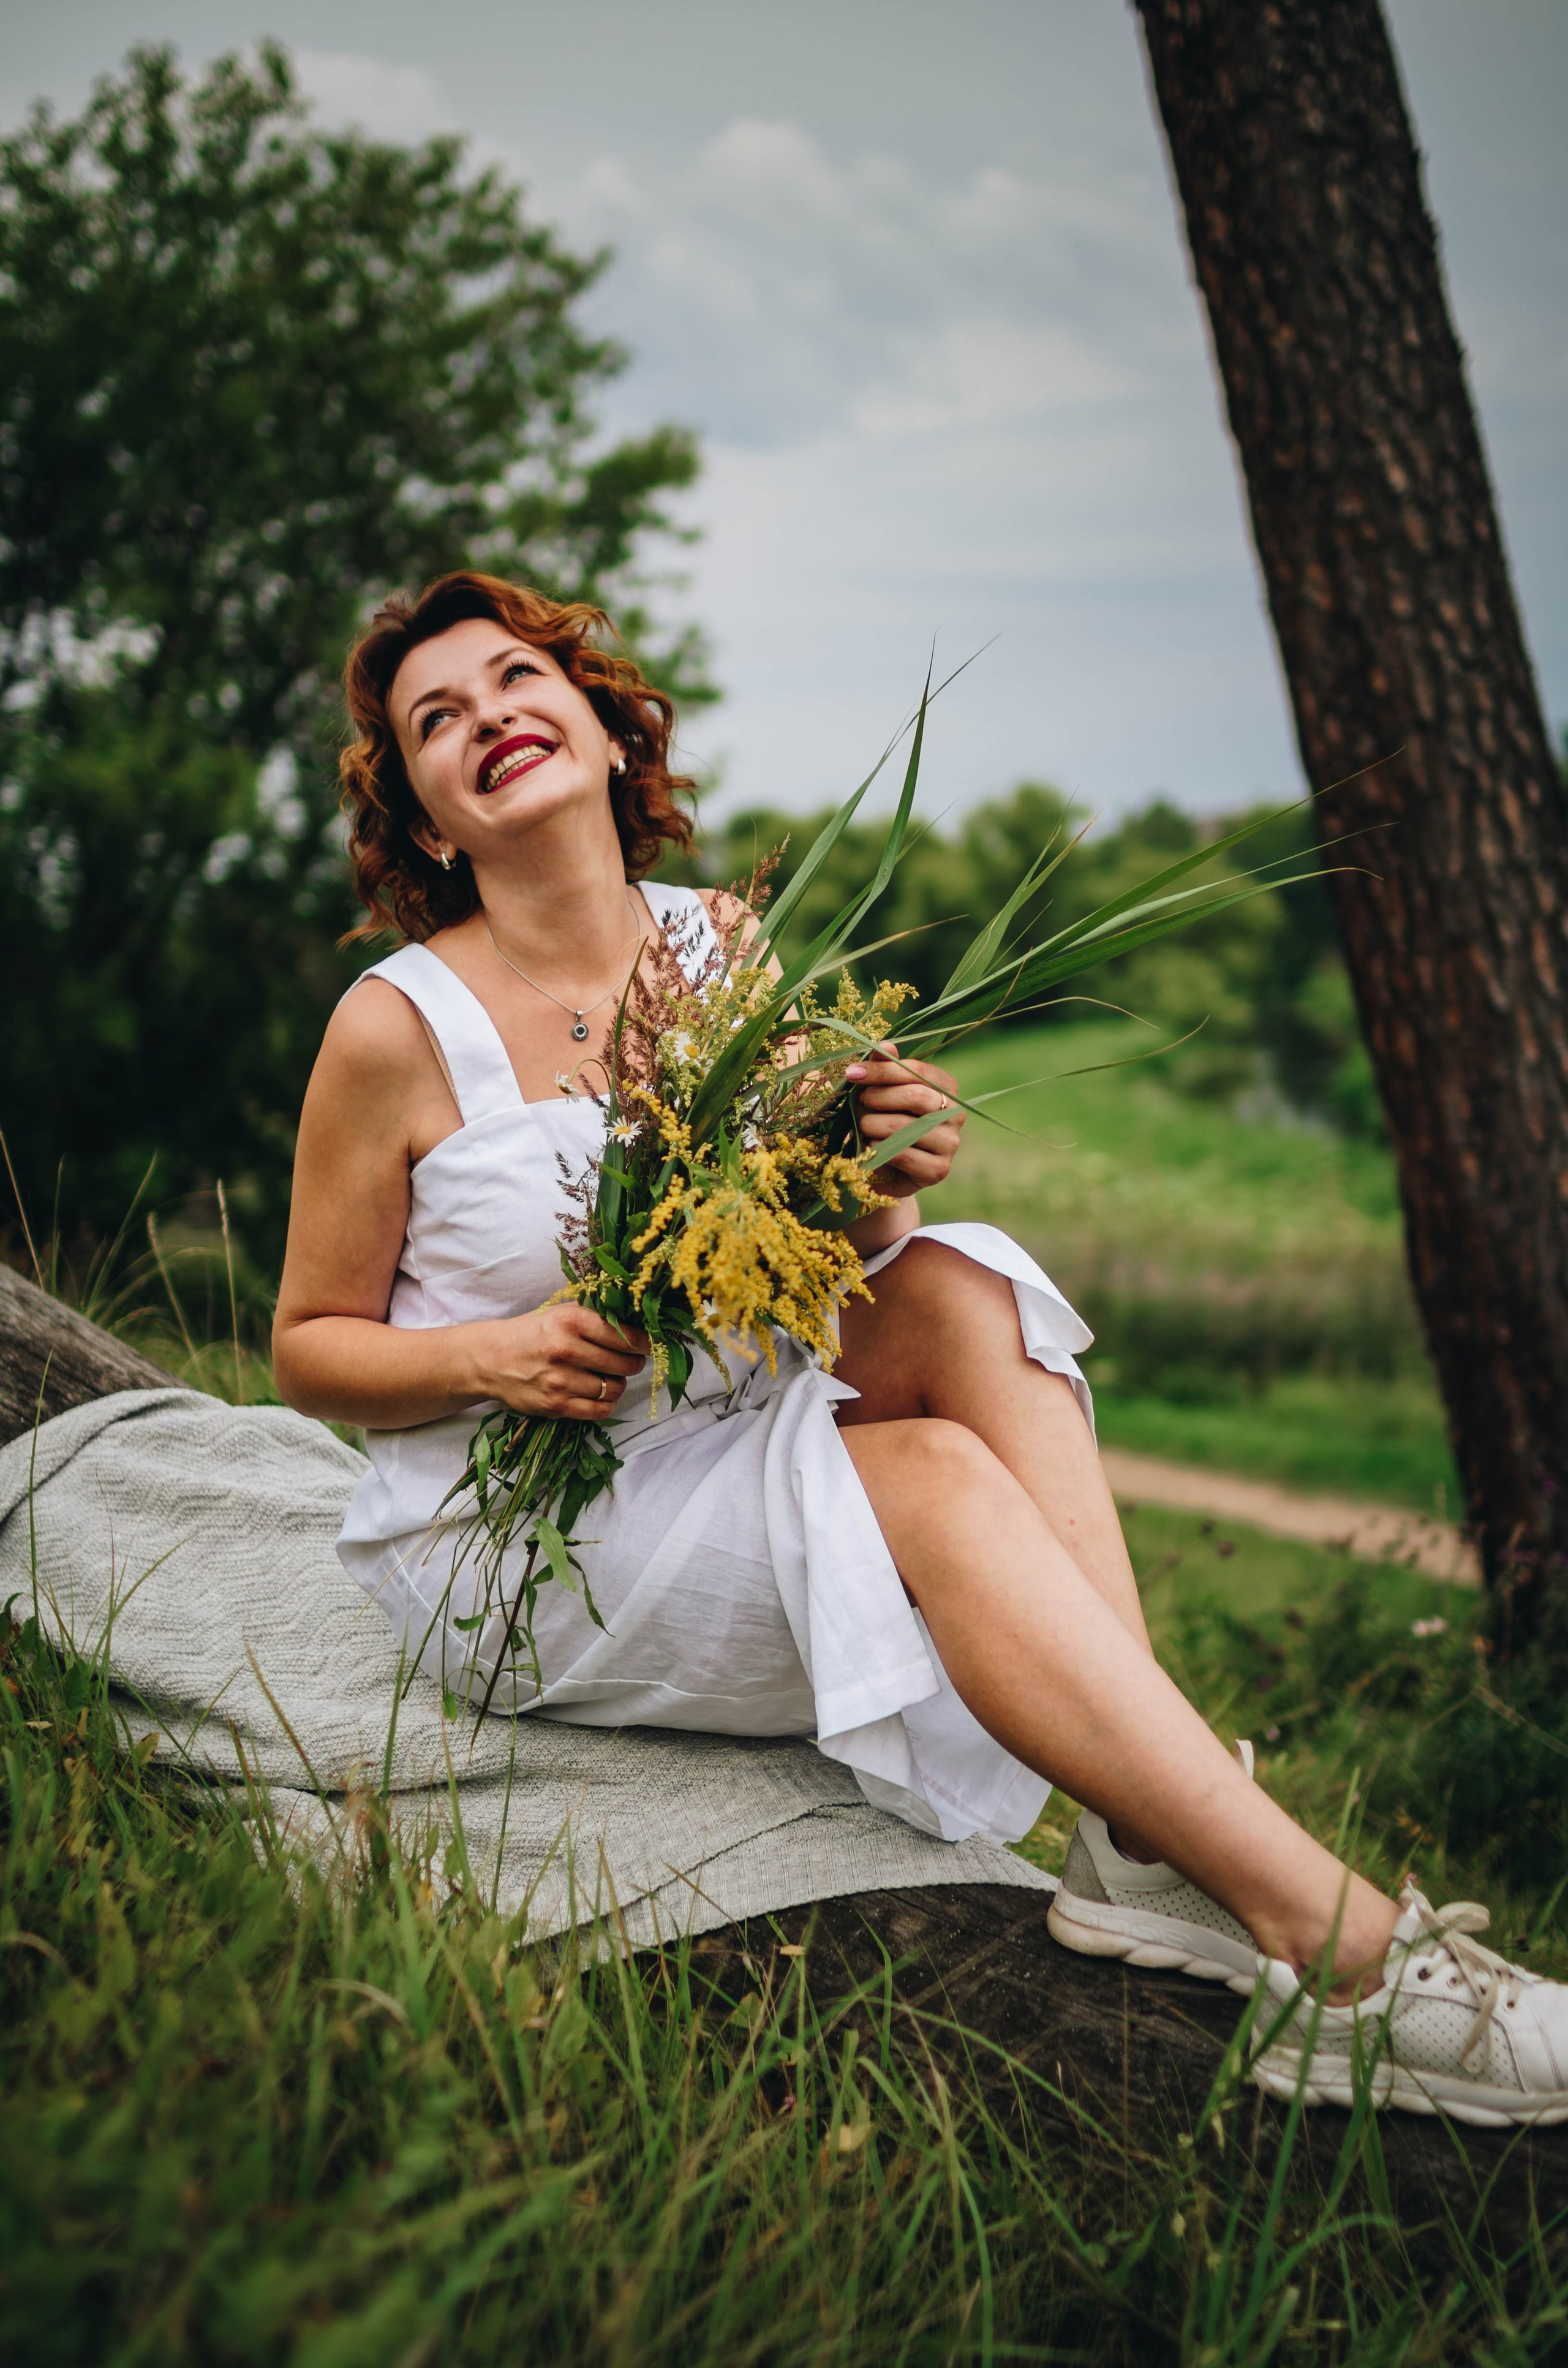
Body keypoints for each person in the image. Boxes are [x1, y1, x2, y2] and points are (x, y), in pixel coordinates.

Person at [274, 570, 1568, 2129]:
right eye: (437, 719)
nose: (487, 718)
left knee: (957, 1281)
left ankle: (1147, 1847)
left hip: (715, 1435)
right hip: (523, 1532)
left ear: (608, 737)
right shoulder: (394, 1030)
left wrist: (876, 1192)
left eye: (512, 682)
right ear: (425, 823)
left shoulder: (716, 941)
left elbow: (810, 1264)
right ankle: (1346, 1964)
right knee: (938, 1485)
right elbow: (306, 1349)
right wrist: (496, 1355)